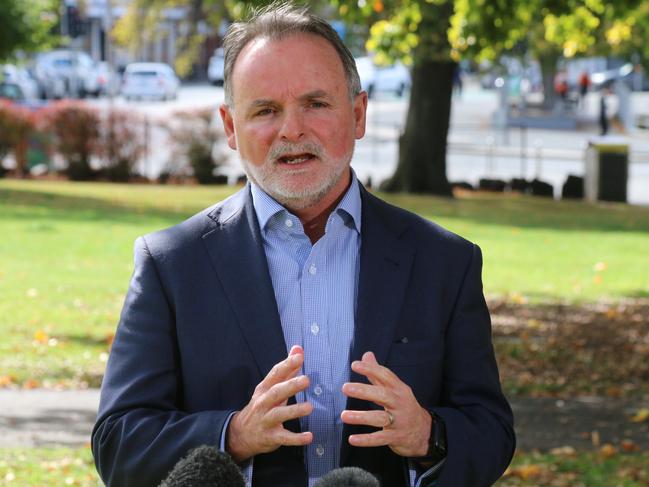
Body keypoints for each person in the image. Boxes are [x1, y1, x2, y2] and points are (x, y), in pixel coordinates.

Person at [91, 4, 515, 487]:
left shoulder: (445, 262)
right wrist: (234, 434)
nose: (292, 129)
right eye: (266, 110)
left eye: (315, 104)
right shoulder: (171, 265)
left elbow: (492, 432)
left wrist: (428, 434)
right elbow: (118, 441)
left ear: (357, 114)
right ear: (231, 127)